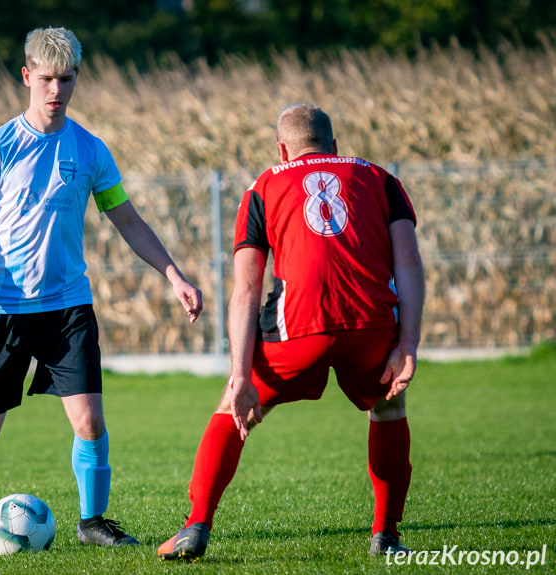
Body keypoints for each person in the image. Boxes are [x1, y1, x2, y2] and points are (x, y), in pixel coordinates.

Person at [0, 27, 203, 553]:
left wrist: (175, 275)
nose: (56, 89)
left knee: (90, 421)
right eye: (46, 78)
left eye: (66, 79)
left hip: (68, 307)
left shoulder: (90, 150)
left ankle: (93, 521)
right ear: (27, 76)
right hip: (2, 309)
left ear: (76, 79)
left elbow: (128, 220)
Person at [157, 102, 425, 561]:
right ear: (334, 145)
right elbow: (409, 262)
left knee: (234, 409)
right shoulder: (381, 179)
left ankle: (195, 525)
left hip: (297, 328)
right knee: (387, 407)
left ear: (282, 149)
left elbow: (246, 288)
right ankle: (386, 534)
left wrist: (240, 375)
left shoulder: (264, 185)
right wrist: (408, 342)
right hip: (371, 323)